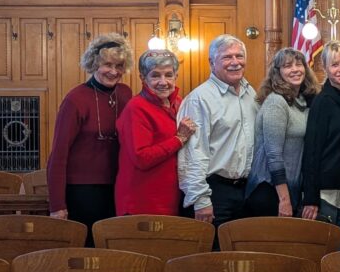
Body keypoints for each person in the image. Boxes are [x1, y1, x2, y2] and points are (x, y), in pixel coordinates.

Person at [47, 33, 133, 235]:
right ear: (94, 64)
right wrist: (57, 205)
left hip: (118, 186)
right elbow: (58, 155)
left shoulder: (125, 93)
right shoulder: (75, 99)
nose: (113, 71)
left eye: (119, 66)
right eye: (107, 65)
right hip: (82, 190)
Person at [177, 34, 257, 228]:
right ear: (212, 63)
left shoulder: (251, 94)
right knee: (213, 257)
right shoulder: (200, 99)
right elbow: (193, 154)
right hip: (213, 193)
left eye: (239, 56)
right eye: (227, 57)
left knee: (239, 256)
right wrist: (200, 199)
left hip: (245, 192)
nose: (235, 62)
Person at [114, 49, 196, 216]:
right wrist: (179, 139)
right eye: (155, 75)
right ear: (143, 78)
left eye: (168, 75)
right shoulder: (136, 108)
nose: (163, 81)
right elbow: (141, 158)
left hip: (173, 198)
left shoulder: (179, 103)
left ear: (176, 76)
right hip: (142, 200)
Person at [245, 47, 318, 217]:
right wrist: (284, 200)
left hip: (289, 189)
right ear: (278, 73)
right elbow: (273, 155)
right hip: (269, 191)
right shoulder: (276, 102)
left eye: (299, 65)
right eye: (287, 66)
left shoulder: (302, 101)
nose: (295, 70)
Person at [300, 41, 340, 229]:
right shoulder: (322, 102)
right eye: (335, 65)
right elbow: (311, 151)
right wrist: (310, 198)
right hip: (325, 195)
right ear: (325, 68)